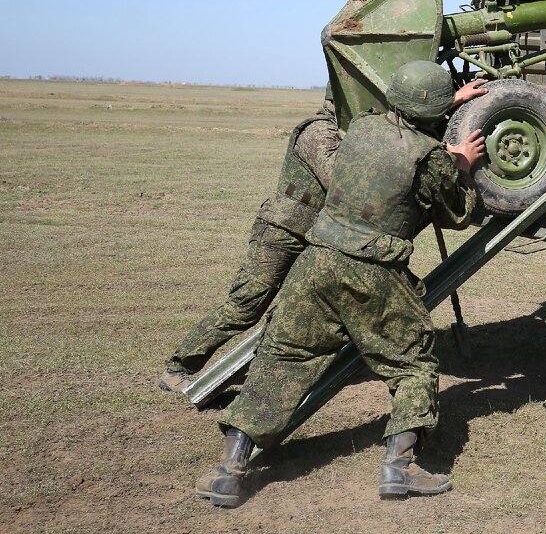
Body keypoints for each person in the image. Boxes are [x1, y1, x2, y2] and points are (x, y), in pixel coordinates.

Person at [195, 61, 487, 508]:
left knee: (282, 357)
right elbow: (459, 213)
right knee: (413, 362)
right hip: (373, 272)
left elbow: (395, 149)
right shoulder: (429, 158)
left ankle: (229, 472)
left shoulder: (361, 129)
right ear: (434, 108)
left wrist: (447, 109)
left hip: (316, 263)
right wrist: (461, 165)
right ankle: (399, 470)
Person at [159, 87, 341, 392]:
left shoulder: (338, 133)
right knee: (246, 306)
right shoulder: (318, 131)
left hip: (310, 234)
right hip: (281, 233)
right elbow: (338, 179)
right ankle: (178, 366)